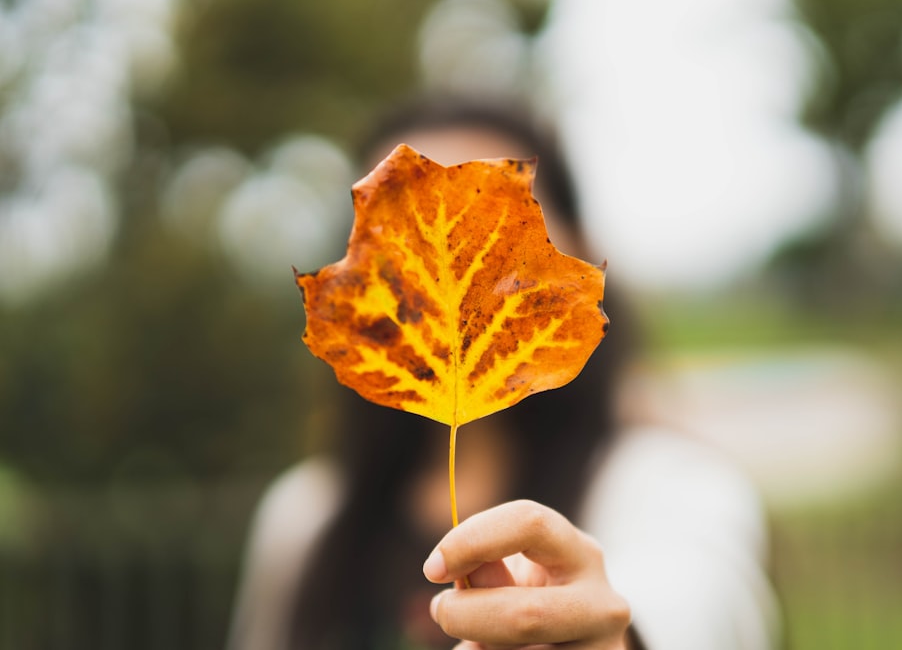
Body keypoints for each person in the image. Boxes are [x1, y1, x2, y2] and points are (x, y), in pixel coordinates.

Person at [226, 96, 779, 650]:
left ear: (580, 254)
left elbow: (696, 607)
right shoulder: (304, 519)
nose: (451, 258)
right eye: (398, 223)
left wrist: (614, 641)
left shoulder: (667, 488)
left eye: (491, 216)